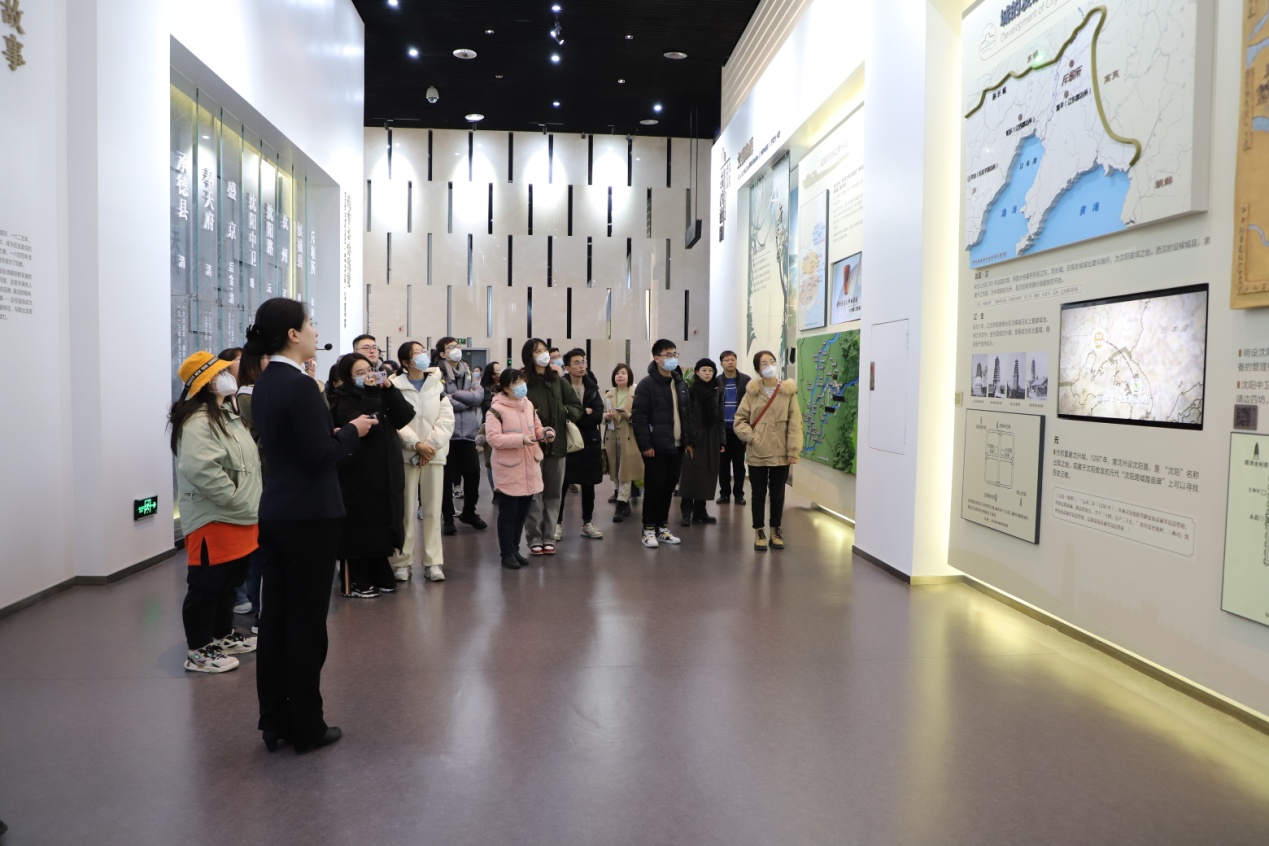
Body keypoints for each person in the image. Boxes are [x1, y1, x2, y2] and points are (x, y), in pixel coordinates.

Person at [248, 297, 378, 754]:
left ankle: (275, 719)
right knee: (305, 623)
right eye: (310, 323)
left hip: (278, 511)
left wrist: (334, 435)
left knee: (276, 619)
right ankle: (306, 725)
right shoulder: (301, 386)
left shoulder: (265, 383)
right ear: (292, 334)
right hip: (310, 517)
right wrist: (353, 432)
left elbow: (294, 447)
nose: (315, 330)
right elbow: (320, 455)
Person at [170, 351, 261, 674]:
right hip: (215, 516)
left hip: (240, 515)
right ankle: (198, 650)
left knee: (228, 583)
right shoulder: (198, 421)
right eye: (221, 372)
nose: (229, 375)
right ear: (207, 383)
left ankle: (222, 635)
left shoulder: (226, 414)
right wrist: (234, 498)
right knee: (207, 586)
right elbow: (201, 469)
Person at [328, 353, 416, 597]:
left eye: (370, 370)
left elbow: (405, 416)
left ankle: (379, 567)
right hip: (357, 471)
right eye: (360, 373)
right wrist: (370, 393)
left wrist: (389, 389)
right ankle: (356, 577)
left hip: (386, 468)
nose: (368, 375)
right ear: (347, 377)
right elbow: (365, 424)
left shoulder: (381, 392)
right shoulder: (343, 399)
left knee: (382, 519)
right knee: (359, 522)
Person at [390, 341, 454, 583]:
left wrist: (429, 447)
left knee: (432, 510)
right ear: (406, 362)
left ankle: (433, 562)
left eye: (423, 351)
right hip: (406, 455)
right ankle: (403, 562)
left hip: (433, 456)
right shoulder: (395, 386)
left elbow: (446, 419)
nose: (422, 356)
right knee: (406, 511)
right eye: (416, 353)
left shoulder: (437, 384)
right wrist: (415, 444)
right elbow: (395, 421)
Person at [732, 350, 803, 552]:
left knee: (778, 495)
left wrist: (793, 450)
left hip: (781, 452)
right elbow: (740, 420)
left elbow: (795, 423)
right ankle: (759, 531)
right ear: (758, 369)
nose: (769, 366)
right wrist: (753, 438)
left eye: (772, 361)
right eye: (764, 363)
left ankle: (775, 530)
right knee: (759, 494)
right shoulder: (752, 393)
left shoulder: (788, 391)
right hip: (758, 452)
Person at [485, 368, 552, 569]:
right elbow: (493, 438)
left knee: (522, 513)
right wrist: (520, 439)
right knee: (508, 514)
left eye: (523, 381)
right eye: (517, 383)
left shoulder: (528, 404)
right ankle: (506, 553)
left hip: (529, 465)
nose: (522, 386)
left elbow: (536, 427)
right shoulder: (496, 410)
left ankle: (514, 549)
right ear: (506, 388)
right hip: (509, 469)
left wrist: (545, 433)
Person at [521, 338, 583, 555]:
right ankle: (534, 537)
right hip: (531, 446)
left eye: (545, 350)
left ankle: (549, 537)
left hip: (557, 445)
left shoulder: (557, 380)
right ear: (529, 356)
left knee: (553, 494)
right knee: (534, 494)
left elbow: (576, 408)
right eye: (538, 351)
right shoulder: (523, 381)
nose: (544, 354)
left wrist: (562, 411)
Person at [631, 339, 696, 548]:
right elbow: (639, 418)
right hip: (655, 447)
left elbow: (687, 415)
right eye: (668, 355)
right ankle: (648, 528)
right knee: (654, 488)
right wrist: (645, 445)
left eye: (675, 354)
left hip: (677, 445)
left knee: (668, 488)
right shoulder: (646, 385)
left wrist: (688, 441)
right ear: (657, 359)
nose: (673, 358)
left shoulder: (680, 383)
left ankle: (662, 527)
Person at [435, 336, 487, 535]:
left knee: (473, 475)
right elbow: (442, 400)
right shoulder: (438, 373)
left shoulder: (467, 370)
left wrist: (455, 395)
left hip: (468, 435)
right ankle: (448, 518)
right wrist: (468, 401)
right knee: (446, 480)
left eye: (457, 346)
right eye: (451, 347)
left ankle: (469, 513)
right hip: (448, 435)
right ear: (442, 353)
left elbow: (479, 396)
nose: (456, 349)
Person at [233, 350, 269, 620]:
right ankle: (249, 600)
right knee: (254, 547)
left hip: (259, 477)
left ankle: (253, 600)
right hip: (251, 480)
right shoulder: (246, 396)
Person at [560, 349, 605, 539]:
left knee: (589, 485)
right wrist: (583, 412)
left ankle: (587, 523)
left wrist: (579, 416)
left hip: (589, 442)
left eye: (583, 362)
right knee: (562, 484)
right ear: (568, 367)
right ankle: (556, 524)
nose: (582, 366)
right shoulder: (561, 387)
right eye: (577, 363)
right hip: (568, 441)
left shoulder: (591, 387)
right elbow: (560, 412)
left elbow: (598, 413)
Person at [679, 359, 724, 527]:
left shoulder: (716, 391)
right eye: (704, 370)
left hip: (711, 435)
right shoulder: (690, 391)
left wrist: (722, 440)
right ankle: (686, 511)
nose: (707, 373)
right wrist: (688, 441)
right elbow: (686, 417)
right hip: (695, 435)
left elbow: (720, 417)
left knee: (706, 474)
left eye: (710, 370)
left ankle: (700, 511)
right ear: (697, 372)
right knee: (690, 474)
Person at [602, 363, 643, 523]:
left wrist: (628, 415)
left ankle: (621, 503)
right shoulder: (609, 394)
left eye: (623, 373)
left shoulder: (637, 393)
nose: (620, 376)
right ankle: (624, 501)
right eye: (617, 373)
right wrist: (606, 417)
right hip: (612, 436)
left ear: (629, 376)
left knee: (625, 470)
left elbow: (642, 416)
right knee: (615, 470)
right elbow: (602, 414)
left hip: (630, 437)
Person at [717, 350, 751, 505]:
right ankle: (724, 494)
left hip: (739, 429)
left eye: (733, 359)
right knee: (723, 464)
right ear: (721, 363)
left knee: (738, 464)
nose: (730, 362)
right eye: (727, 360)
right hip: (722, 430)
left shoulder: (746, 380)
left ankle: (739, 494)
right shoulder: (716, 382)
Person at [479, 360, 505, 495]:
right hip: (490, 426)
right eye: (497, 371)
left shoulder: (504, 386)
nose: (499, 374)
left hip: (505, 427)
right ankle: (495, 491)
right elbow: (486, 407)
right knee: (490, 461)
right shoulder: (485, 389)